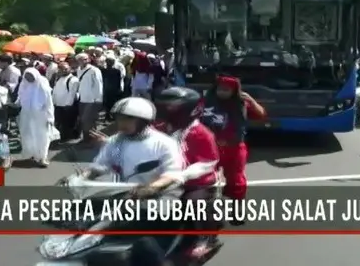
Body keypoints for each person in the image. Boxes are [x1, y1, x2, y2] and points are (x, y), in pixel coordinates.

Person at [66, 97, 184, 196]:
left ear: (143, 121)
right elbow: (101, 165)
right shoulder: (116, 141)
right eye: (119, 119)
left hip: (156, 198)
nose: (122, 123)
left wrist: (151, 188)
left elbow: (172, 174)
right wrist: (82, 178)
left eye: (128, 119)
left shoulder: (164, 143)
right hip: (122, 196)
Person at [154, 86, 221, 257]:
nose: (168, 111)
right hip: (162, 178)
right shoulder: (158, 128)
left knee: (195, 202)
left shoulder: (201, 133)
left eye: (172, 107)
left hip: (196, 182)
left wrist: (182, 175)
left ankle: (206, 238)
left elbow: (208, 162)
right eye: (165, 106)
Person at [200, 75, 266, 223]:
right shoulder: (205, 101)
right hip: (209, 148)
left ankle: (237, 210)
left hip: (234, 147)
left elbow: (261, 114)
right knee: (204, 180)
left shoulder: (242, 103)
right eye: (220, 88)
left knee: (237, 181)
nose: (222, 92)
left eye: (226, 90)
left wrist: (251, 100)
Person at [17, 68, 56, 167]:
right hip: (26, 114)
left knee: (42, 136)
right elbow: (20, 97)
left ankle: (42, 157)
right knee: (27, 135)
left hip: (41, 115)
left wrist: (50, 117)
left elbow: (49, 103)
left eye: (31, 76)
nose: (28, 78)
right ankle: (31, 155)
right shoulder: (24, 84)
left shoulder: (42, 85)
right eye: (27, 76)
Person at [76, 53, 103, 142]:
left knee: (89, 120)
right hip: (82, 98)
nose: (83, 61)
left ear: (88, 60)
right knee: (84, 120)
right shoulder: (79, 70)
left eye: (85, 59)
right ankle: (86, 139)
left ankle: (93, 139)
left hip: (92, 100)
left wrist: (98, 99)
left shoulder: (94, 70)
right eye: (81, 59)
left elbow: (99, 85)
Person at [53, 62, 80, 141]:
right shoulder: (59, 79)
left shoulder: (73, 79)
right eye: (61, 69)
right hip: (58, 104)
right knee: (60, 122)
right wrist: (53, 102)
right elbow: (55, 91)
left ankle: (67, 138)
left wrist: (68, 105)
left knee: (67, 123)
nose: (64, 71)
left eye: (66, 69)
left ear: (70, 69)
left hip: (68, 106)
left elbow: (72, 93)